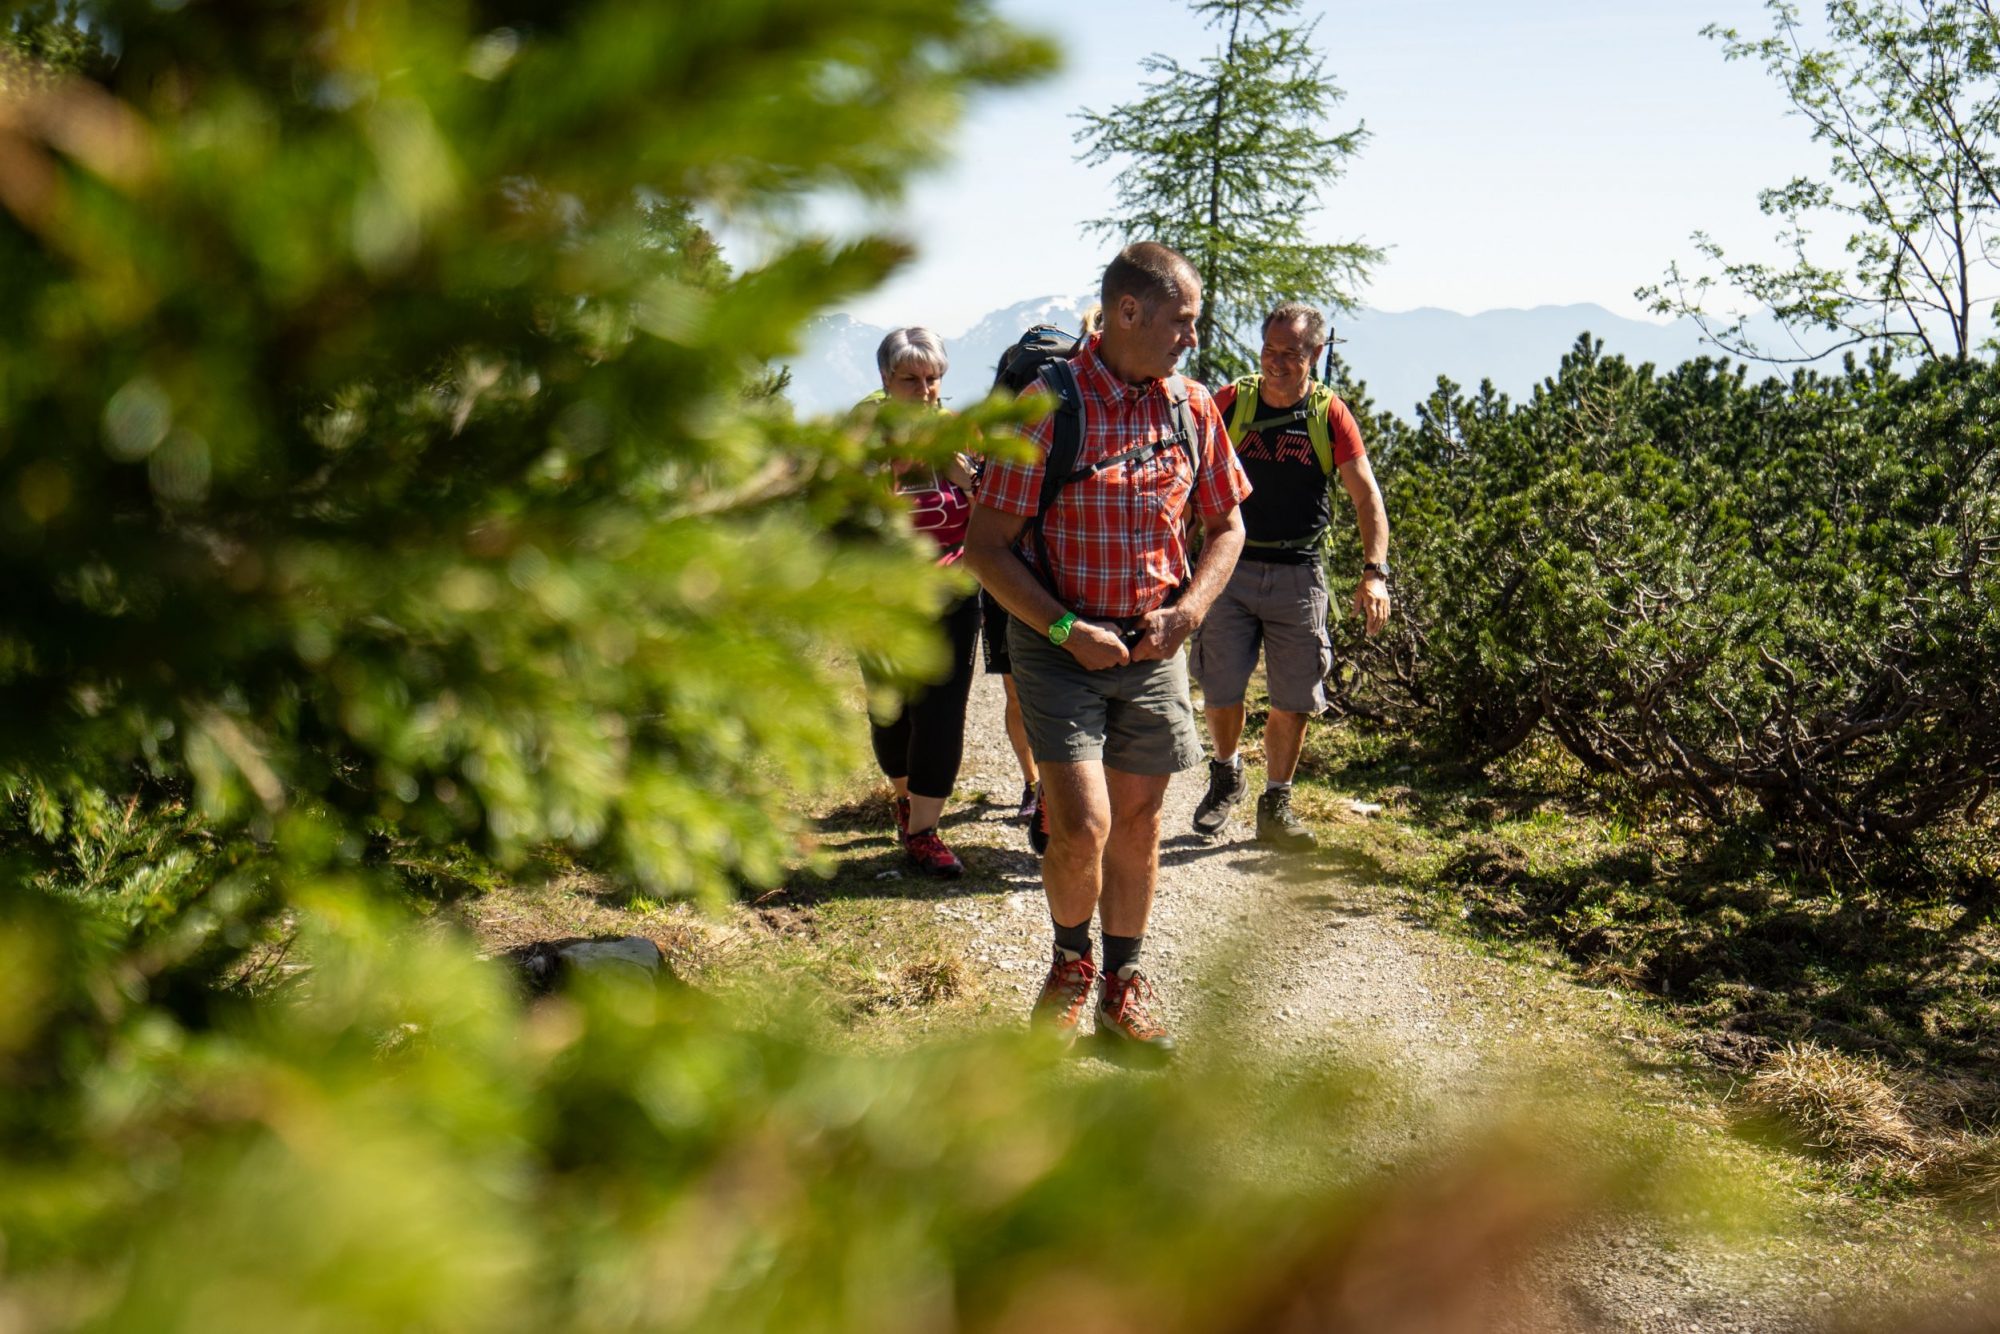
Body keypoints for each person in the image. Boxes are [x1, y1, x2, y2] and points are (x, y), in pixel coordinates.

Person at [965, 244, 1250, 1060]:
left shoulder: (1192, 409)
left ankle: (1122, 990)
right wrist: (1063, 630)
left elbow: (1228, 525)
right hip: (1060, 646)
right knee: (1082, 824)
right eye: (1182, 322)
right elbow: (987, 547)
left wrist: (1189, 613)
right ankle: (1068, 967)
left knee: (1139, 821)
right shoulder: (1045, 407)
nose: (1192, 338)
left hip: (1154, 646)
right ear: (1129, 312)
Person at [1188, 302, 1391, 848]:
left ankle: (1276, 802)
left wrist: (1375, 572)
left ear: (1315, 354)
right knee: (1222, 685)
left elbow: (1365, 494)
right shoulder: (1232, 402)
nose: (1277, 363)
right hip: (1228, 566)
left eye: (1291, 354)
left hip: (1300, 571)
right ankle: (1226, 774)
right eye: (1269, 351)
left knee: (1294, 696)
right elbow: (1185, 476)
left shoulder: (1329, 415)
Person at [981, 302, 1108, 835]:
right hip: (1027, 563)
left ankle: (1043, 790)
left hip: (1022, 569)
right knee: (1025, 688)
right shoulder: (1042, 395)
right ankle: (1044, 791)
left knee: (1019, 688)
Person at [859, 327, 981, 878]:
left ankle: (925, 831)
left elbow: (996, 507)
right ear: (886, 380)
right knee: (892, 711)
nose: (925, 390)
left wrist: (967, 474)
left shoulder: (961, 433)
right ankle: (905, 801)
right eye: (911, 379)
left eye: (933, 379)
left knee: (942, 712)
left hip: (953, 590)